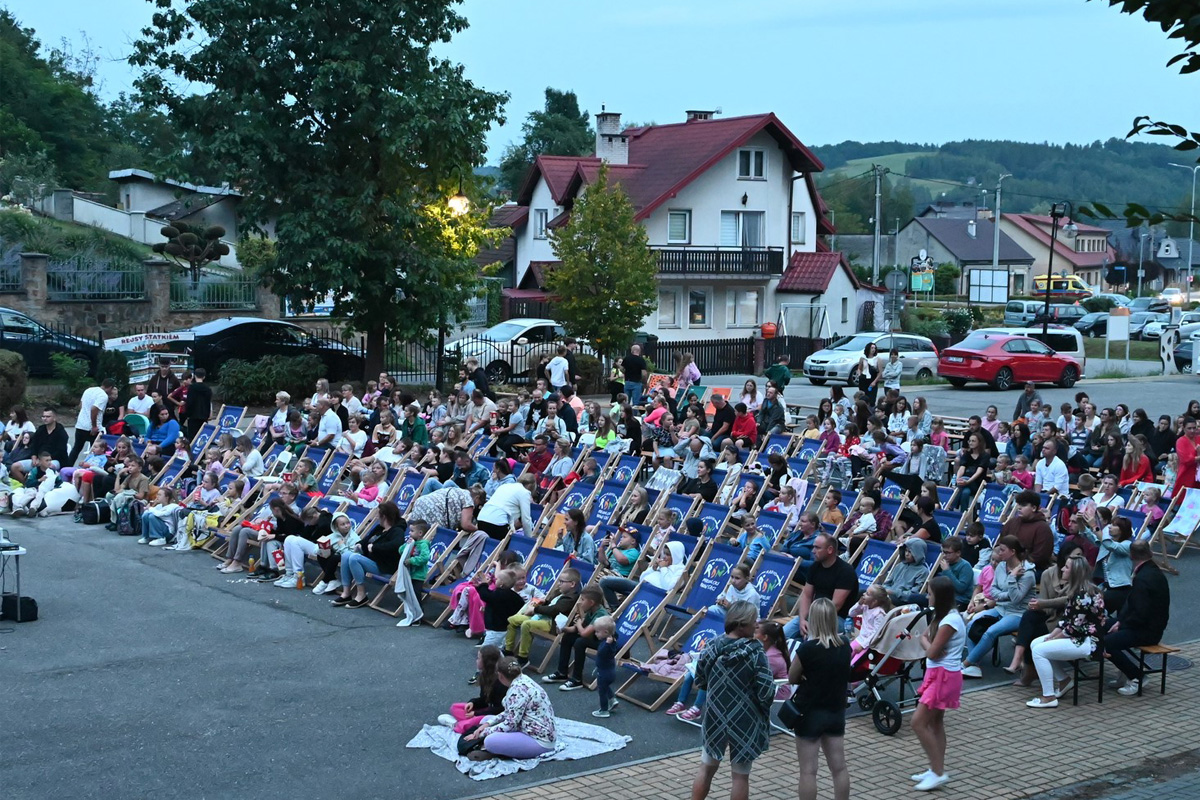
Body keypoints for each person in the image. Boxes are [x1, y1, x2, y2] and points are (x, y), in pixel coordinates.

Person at [690, 600, 775, 800]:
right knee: (740, 777)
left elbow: (700, 680)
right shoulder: (756, 653)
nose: (757, 625)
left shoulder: (712, 646)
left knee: (706, 768)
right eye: (753, 621)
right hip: (746, 719)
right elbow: (766, 692)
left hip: (715, 716)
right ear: (741, 624)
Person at [1026, 553, 1107, 708]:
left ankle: (1048, 696)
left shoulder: (1082, 594)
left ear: (1075, 572)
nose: (1062, 569)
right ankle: (1063, 681)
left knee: (1039, 651)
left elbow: (1074, 627)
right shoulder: (1077, 591)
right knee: (1036, 643)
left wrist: (1055, 638)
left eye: (1066, 567)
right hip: (1080, 637)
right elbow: (1066, 620)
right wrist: (1051, 636)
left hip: (1089, 642)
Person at [791, 597, 852, 800]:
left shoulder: (807, 649)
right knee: (839, 768)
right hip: (835, 711)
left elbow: (792, 677)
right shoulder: (845, 645)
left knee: (808, 771)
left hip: (809, 713)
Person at [910, 576, 966, 792]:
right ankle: (935, 768)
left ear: (939, 596)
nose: (927, 596)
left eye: (930, 593)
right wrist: (928, 643)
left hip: (944, 676)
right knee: (935, 723)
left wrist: (928, 644)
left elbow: (932, 651)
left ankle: (938, 773)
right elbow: (924, 638)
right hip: (938, 673)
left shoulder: (949, 621)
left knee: (918, 722)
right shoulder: (941, 617)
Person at [961, 536, 1036, 678]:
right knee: (971, 625)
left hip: (1018, 613)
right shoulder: (1001, 566)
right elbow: (993, 591)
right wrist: (1005, 595)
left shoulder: (1027, 573)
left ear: (1012, 552)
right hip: (1001, 607)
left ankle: (966, 664)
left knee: (991, 632)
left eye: (1002, 550)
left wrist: (1012, 577)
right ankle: (974, 666)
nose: (999, 553)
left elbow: (1016, 599)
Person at [1105, 540, 1171, 696]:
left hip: (1147, 631)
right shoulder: (1153, 571)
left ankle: (1137, 676)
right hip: (1144, 625)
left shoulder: (1143, 578)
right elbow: (1133, 605)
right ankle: (1125, 671)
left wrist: (1122, 626)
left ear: (1131, 555)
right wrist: (1120, 621)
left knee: (1107, 643)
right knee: (1105, 625)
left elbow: (1140, 612)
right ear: (1150, 552)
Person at [462, 657, 557, 760]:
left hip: (538, 741)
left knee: (490, 741)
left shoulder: (516, 691)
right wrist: (487, 724)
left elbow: (510, 724)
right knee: (486, 720)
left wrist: (481, 733)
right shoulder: (523, 679)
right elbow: (509, 713)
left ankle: (490, 750)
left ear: (500, 675)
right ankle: (494, 747)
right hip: (530, 729)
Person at [331, 502, 407, 608]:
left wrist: (375, 547)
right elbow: (366, 540)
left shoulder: (397, 531)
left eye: (378, 514)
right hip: (373, 560)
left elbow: (396, 545)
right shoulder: (379, 528)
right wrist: (359, 545)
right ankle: (346, 593)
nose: (376, 516)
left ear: (384, 516)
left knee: (354, 558)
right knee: (346, 555)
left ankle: (361, 595)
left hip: (385, 566)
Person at [784, 533, 860, 640]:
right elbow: (806, 595)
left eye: (817, 548)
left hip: (836, 619)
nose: (813, 551)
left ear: (830, 550)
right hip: (813, 615)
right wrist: (802, 620)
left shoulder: (846, 572)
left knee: (810, 642)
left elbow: (835, 606)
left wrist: (812, 623)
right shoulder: (815, 567)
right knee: (781, 636)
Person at [505, 568, 581, 667]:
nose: (558, 584)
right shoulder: (560, 593)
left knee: (526, 624)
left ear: (572, 584)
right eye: (559, 581)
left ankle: (523, 657)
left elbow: (555, 610)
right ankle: (508, 650)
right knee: (512, 620)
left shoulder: (571, 598)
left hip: (550, 624)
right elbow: (550, 604)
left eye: (562, 582)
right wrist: (544, 602)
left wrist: (535, 609)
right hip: (541, 618)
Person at [543, 585, 609, 689]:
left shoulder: (600, 614)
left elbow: (584, 633)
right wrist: (564, 629)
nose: (580, 602)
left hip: (604, 643)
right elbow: (576, 629)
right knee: (568, 637)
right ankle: (562, 673)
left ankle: (577, 679)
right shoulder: (591, 610)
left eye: (582, 599)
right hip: (594, 638)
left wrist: (578, 623)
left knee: (580, 642)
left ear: (591, 602)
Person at [438, 645, 507, 735]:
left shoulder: (500, 682)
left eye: (478, 658)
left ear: (486, 662)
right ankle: (468, 723)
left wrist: (476, 713)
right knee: (455, 707)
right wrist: (472, 703)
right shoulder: (484, 676)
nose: (476, 660)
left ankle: (457, 725)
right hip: (487, 709)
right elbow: (484, 700)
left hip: (495, 715)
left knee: (467, 724)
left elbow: (500, 709)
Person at [1001, 490, 1054, 574]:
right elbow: (1001, 544)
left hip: (1032, 569)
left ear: (1034, 508)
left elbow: (1040, 557)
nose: (1019, 507)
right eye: (1018, 504)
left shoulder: (1043, 528)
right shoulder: (1012, 522)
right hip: (1007, 565)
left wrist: (1017, 566)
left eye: (1023, 505)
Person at [69, 378, 115, 466]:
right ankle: (91, 468)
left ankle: (67, 468)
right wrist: (94, 426)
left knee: (76, 448)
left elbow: (81, 405)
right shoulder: (103, 396)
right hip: (91, 427)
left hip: (81, 424)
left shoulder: (89, 390)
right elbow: (94, 409)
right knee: (96, 450)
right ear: (110, 387)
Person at [591, 616, 619, 718]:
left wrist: (606, 644)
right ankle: (612, 700)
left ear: (606, 632)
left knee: (601, 691)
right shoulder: (613, 640)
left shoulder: (607, 644)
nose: (595, 634)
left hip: (604, 673)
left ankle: (604, 710)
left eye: (598, 632)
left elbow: (601, 653)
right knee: (605, 687)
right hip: (609, 671)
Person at [183, 368, 213, 442]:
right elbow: (208, 402)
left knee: (193, 438)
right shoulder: (208, 389)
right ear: (204, 377)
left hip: (193, 416)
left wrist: (187, 414)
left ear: (194, 376)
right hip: (204, 416)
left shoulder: (192, 388)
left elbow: (189, 402)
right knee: (203, 437)